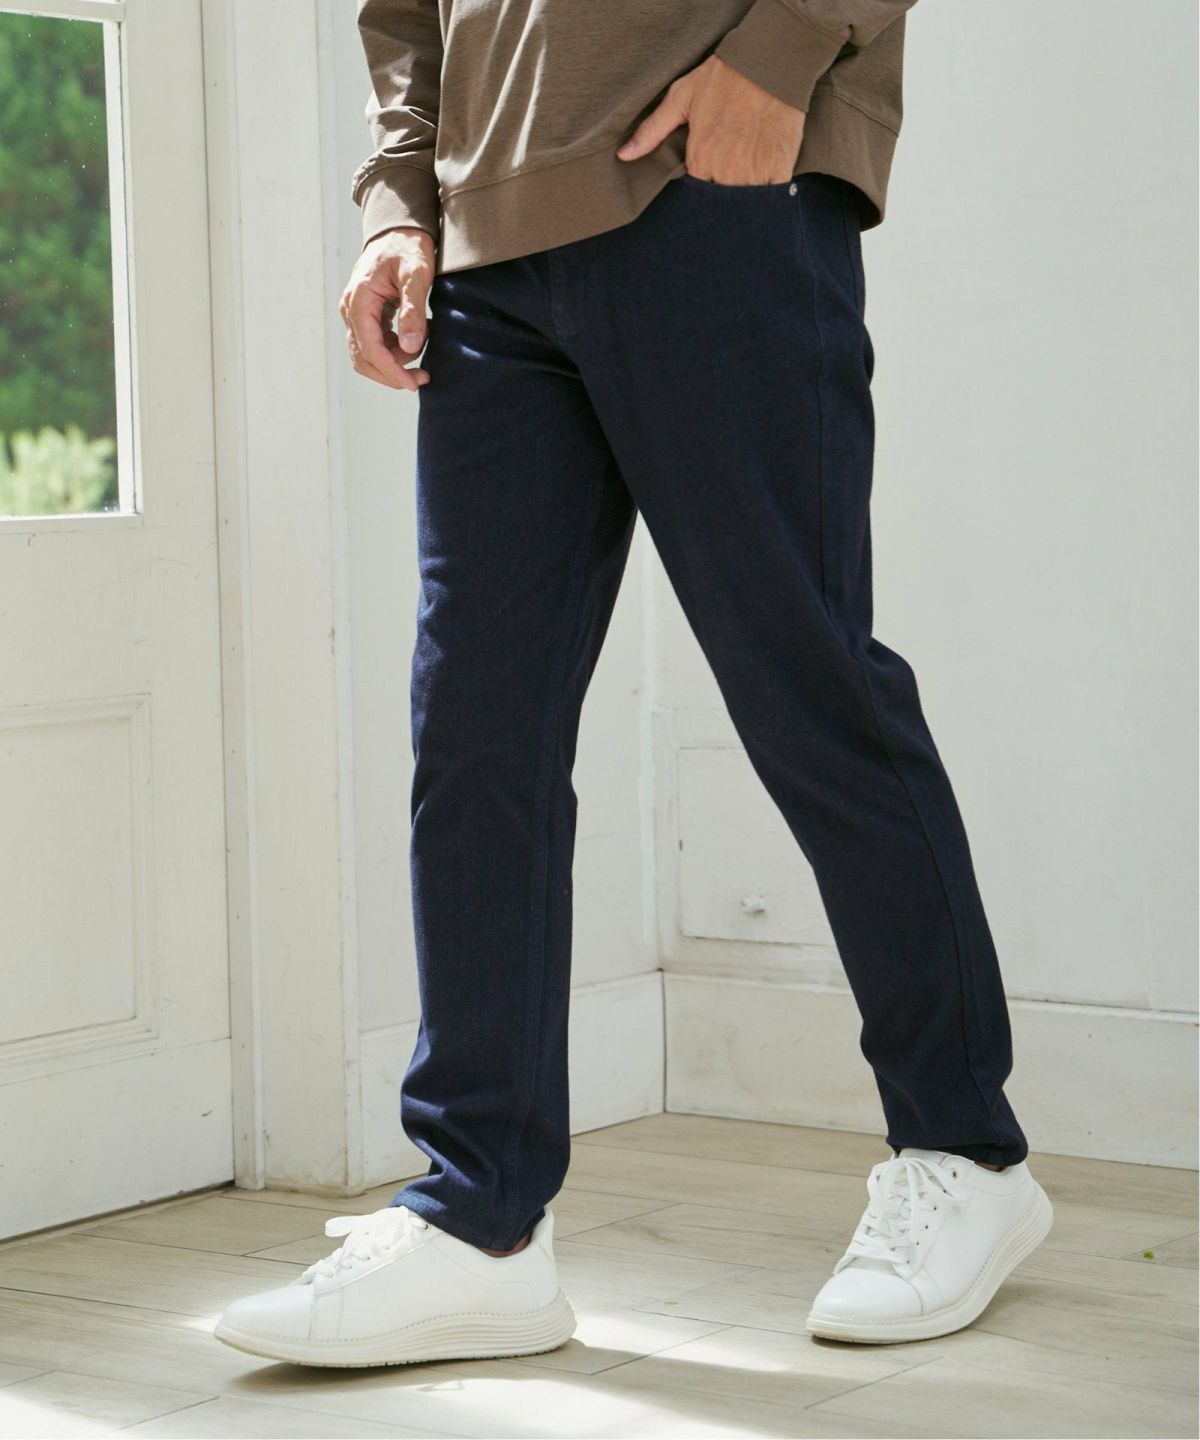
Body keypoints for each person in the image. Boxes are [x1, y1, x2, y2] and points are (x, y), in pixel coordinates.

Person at [213, 0, 1053, 1366]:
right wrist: (396, 201)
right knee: (475, 729)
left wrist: (780, 52)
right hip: (487, 243)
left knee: (807, 689)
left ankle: (965, 1154)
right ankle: (479, 1220)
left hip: (715, 192)